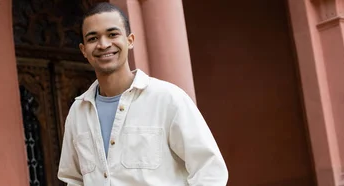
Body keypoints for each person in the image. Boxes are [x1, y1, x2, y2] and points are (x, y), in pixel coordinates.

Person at [57, 2, 228, 185]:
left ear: (130, 40)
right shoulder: (78, 111)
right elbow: (74, 179)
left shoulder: (167, 99)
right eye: (93, 38)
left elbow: (210, 170)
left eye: (112, 34)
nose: (103, 44)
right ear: (84, 50)